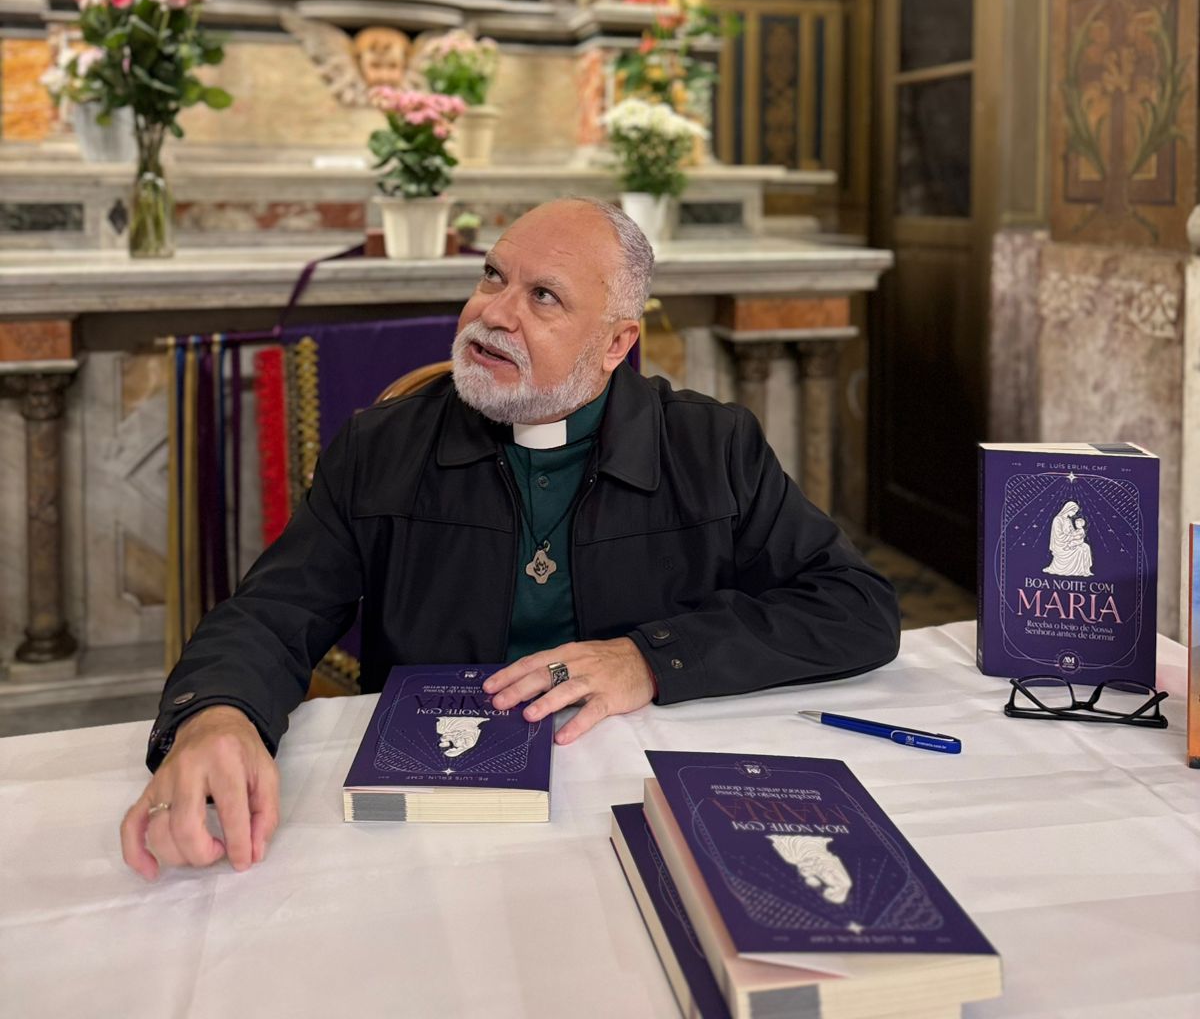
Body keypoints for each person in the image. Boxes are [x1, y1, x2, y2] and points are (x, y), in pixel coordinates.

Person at [120, 198, 900, 881]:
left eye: (544, 296)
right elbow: (271, 612)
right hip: (435, 803)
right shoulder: (381, 447)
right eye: (493, 276)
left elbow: (854, 606)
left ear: (615, 345)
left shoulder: (712, 447)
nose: (494, 313)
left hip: (638, 791)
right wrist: (217, 713)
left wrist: (649, 658)